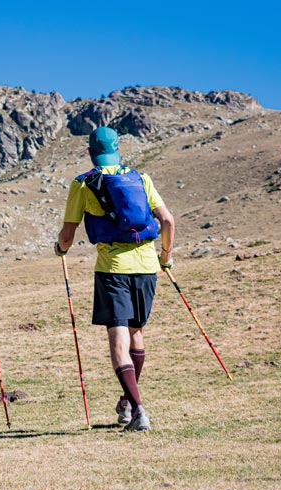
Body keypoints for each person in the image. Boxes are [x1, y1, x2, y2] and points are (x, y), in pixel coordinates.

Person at [54, 126, 175, 432]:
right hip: (147, 266)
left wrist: (61, 248)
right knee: (136, 333)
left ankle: (138, 410)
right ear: (118, 148)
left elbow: (68, 233)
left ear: (90, 151)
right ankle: (127, 400)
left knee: (117, 338)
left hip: (113, 268)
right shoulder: (141, 178)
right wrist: (165, 256)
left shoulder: (83, 183)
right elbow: (168, 220)